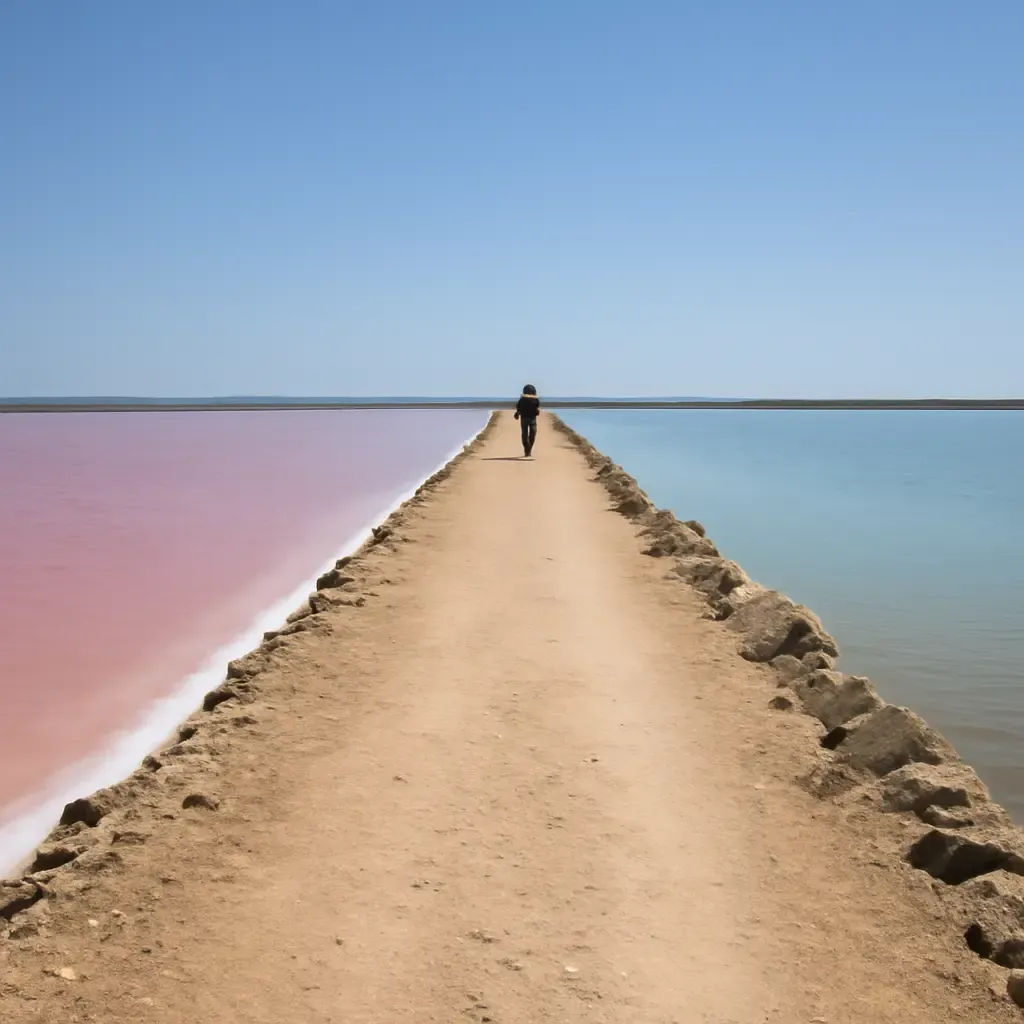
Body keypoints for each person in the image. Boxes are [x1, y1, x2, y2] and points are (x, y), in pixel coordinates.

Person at [514, 384, 540, 457]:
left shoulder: (534, 400)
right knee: (528, 435)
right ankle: (527, 450)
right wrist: (517, 413)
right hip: (527, 419)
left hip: (530, 419)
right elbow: (519, 408)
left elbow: (537, 408)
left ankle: (528, 450)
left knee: (530, 434)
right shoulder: (523, 400)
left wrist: (517, 413)